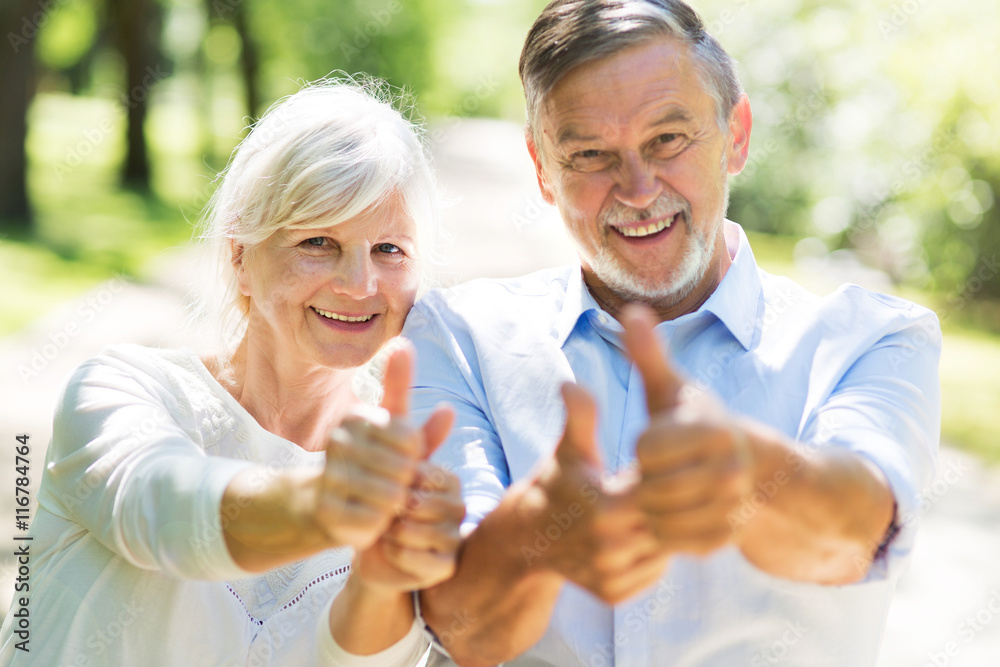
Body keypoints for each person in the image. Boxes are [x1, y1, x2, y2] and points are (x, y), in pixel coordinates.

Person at [403, 1, 941, 665]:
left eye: (667, 140)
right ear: (542, 168)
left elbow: (852, 535)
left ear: (736, 134)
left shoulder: (873, 337)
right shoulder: (458, 337)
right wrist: (535, 536)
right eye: (590, 154)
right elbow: (456, 624)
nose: (635, 188)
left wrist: (750, 475)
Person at [0, 77, 464, 665]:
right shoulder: (123, 389)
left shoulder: (412, 468)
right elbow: (165, 512)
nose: (360, 284)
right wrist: (326, 505)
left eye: (389, 250)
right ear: (241, 257)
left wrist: (383, 572)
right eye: (318, 241)